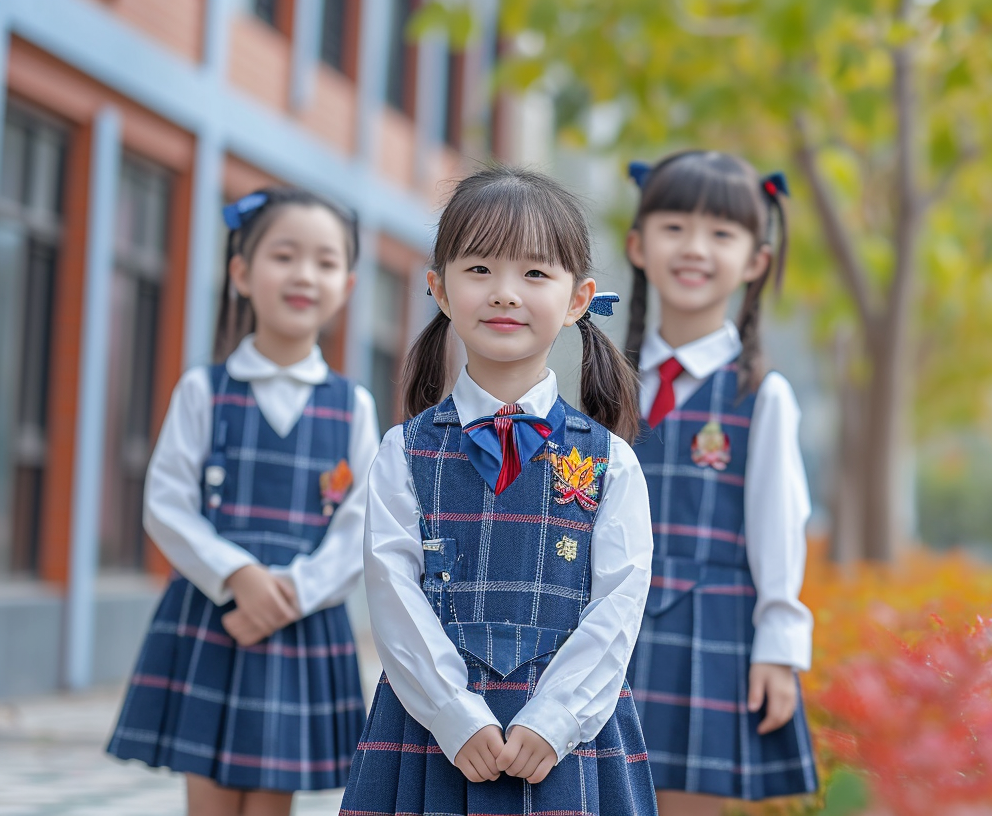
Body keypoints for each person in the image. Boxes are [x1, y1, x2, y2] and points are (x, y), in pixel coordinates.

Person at [338, 166, 656, 816]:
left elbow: (619, 608)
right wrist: (457, 717)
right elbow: (392, 597)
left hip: (570, 744)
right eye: (479, 268)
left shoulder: (612, 462)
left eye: (535, 274)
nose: (505, 293)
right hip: (430, 733)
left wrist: (556, 719)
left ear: (578, 299)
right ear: (440, 289)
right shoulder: (403, 452)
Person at [107, 189, 379, 815]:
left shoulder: (353, 405)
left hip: (299, 621)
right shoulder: (205, 389)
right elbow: (166, 502)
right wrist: (238, 575)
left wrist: (292, 592)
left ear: (348, 283)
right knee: (209, 798)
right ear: (241, 272)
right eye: (284, 256)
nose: (305, 275)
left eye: (326, 262)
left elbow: (360, 523)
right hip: (213, 613)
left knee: (269, 804)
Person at [621, 151, 818, 814]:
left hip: (710, 639)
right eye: (674, 227)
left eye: (721, 234)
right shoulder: (604, 389)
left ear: (756, 261)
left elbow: (778, 532)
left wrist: (779, 650)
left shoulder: (761, 396)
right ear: (637, 244)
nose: (695, 249)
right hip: (603, 633)